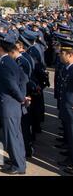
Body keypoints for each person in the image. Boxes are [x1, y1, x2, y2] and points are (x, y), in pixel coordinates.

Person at [0, 36, 29, 175]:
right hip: (11, 105)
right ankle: (18, 159)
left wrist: (21, 98)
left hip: (9, 105)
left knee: (12, 137)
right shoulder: (9, 61)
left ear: (0, 49)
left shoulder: (5, 63)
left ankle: (18, 165)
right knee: (16, 135)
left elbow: (12, 85)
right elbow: (23, 78)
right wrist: (22, 95)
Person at [57, 38, 73, 175]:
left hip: (71, 109)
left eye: (62, 53)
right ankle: (70, 157)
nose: (60, 55)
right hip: (68, 108)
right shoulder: (68, 69)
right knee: (70, 135)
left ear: (70, 55)